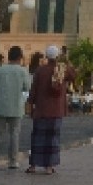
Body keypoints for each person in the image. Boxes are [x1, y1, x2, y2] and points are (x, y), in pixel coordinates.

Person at [26, 45, 75, 175]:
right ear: (58, 56)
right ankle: (49, 166)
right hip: (56, 110)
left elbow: (33, 90)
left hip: (41, 109)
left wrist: (30, 105)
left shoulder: (40, 71)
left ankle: (33, 165)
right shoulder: (62, 70)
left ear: (47, 56)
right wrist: (66, 60)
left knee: (37, 138)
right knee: (52, 139)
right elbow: (74, 74)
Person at [0, 45, 30, 169]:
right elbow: (27, 87)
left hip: (1, 105)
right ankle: (13, 161)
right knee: (14, 134)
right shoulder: (22, 71)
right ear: (20, 57)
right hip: (16, 106)